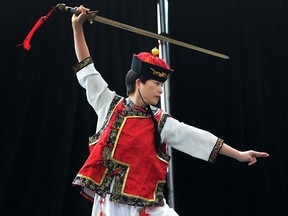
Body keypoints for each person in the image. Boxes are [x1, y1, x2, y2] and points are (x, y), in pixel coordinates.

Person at [70, 5, 269, 216]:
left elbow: (197, 137)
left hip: (147, 207)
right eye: (155, 83)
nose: (160, 89)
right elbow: (87, 70)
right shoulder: (108, 104)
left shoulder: (159, 121)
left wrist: (238, 154)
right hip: (110, 206)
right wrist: (77, 28)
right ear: (139, 83)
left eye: (161, 84)